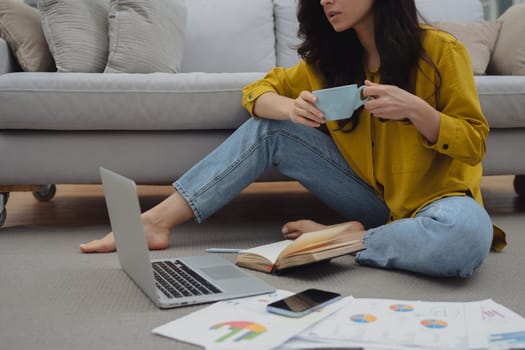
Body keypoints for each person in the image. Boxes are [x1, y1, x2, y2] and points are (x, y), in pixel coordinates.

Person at [80, 0, 504, 277]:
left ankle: (343, 238)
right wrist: (287, 108)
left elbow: (474, 142)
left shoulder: (441, 51)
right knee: (272, 126)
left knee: (468, 237)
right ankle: (155, 222)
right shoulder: (331, 60)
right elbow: (258, 91)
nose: (326, 0)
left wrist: (418, 111)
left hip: (437, 200)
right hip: (371, 199)